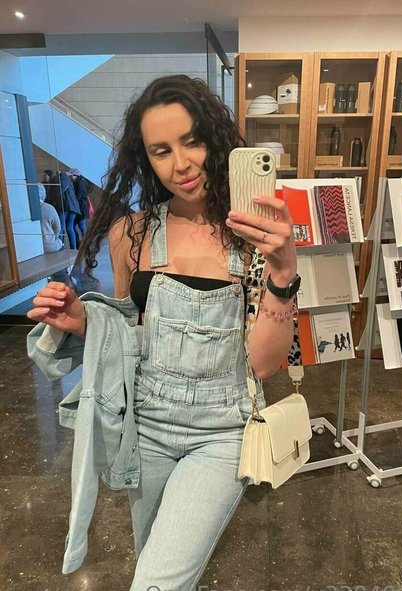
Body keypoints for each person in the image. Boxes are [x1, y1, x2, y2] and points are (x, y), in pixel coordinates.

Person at [27, 75, 298, 590]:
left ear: (214, 140)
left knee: (156, 580)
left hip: (222, 431)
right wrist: (84, 321)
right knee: (155, 558)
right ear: (145, 158)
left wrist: (283, 274)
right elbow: (131, 333)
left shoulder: (253, 237)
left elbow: (264, 364)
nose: (181, 164)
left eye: (192, 141)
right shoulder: (130, 234)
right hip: (145, 427)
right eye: (162, 150)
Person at [68, 168, 89, 248]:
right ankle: (83, 244)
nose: (70, 177)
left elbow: (78, 196)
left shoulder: (79, 183)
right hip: (79, 209)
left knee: (82, 227)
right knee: (79, 227)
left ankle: (85, 245)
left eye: (71, 175)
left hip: (81, 209)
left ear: (75, 175)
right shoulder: (79, 182)